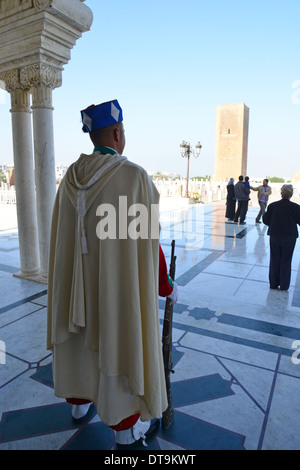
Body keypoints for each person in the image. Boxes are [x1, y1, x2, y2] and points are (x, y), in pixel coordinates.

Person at [47, 99, 177, 448]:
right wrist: (165, 285)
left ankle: (78, 408)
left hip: (76, 289)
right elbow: (147, 245)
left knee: (80, 346)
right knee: (119, 341)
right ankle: (124, 432)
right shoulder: (132, 177)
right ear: (118, 133)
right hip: (115, 290)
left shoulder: (69, 179)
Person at [263, 184, 300, 291]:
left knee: (274, 259)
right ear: (291, 194)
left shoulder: (273, 206)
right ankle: (284, 285)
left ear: (281, 193)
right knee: (286, 260)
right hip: (289, 237)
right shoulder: (296, 207)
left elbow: (266, 220)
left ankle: (273, 283)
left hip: (275, 235)